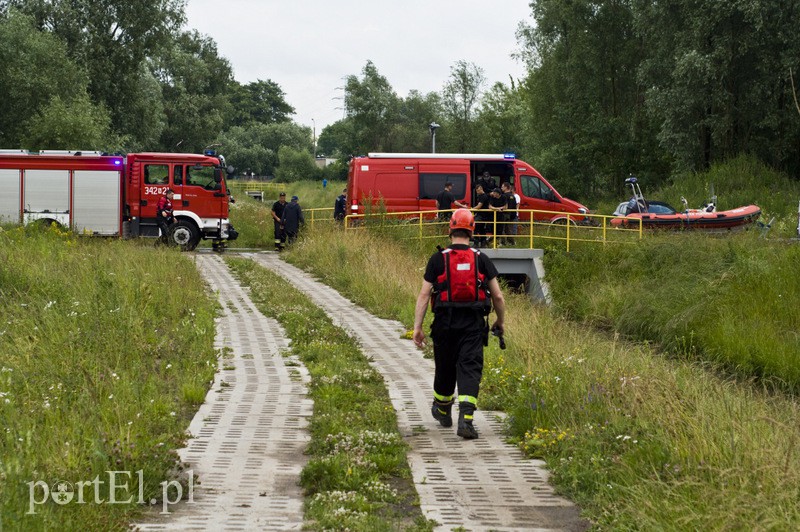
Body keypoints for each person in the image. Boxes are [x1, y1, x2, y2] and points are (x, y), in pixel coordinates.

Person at [413, 209, 506, 439]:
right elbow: (498, 297)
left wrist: (418, 327)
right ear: (471, 231)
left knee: (445, 366)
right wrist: (500, 321)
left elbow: (424, 296)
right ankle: (466, 420)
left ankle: (443, 409)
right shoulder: (481, 259)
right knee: (470, 368)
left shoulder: (438, 259)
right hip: (473, 324)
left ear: (451, 230)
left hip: (444, 323)